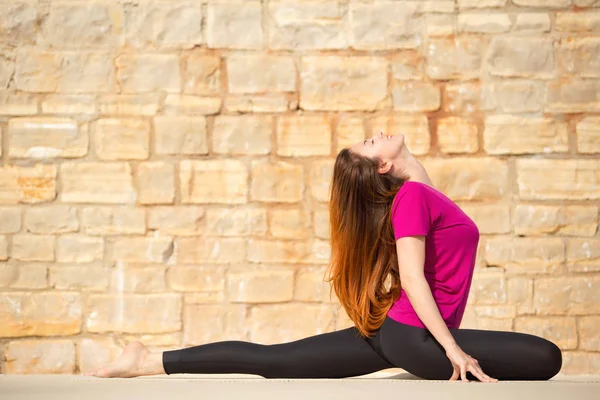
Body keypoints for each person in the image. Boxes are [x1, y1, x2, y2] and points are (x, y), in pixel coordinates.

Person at [88, 132, 562, 382]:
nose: (377, 132)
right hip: (413, 338)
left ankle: (149, 361)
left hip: (399, 334)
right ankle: (147, 360)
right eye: (371, 142)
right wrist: (452, 349)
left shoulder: (419, 192)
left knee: (275, 362)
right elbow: (414, 280)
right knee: (547, 357)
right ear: (383, 164)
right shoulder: (413, 198)